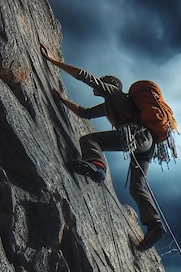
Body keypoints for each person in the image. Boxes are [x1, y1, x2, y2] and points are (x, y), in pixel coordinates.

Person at [40, 44, 165, 250]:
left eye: (99, 85)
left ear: (108, 87)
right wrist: (63, 100)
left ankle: (97, 166)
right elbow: (84, 113)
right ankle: (154, 225)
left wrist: (53, 60)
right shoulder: (109, 106)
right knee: (137, 186)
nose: (94, 87)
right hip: (144, 145)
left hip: (137, 136)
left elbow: (86, 76)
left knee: (89, 141)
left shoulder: (116, 95)